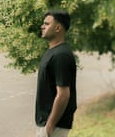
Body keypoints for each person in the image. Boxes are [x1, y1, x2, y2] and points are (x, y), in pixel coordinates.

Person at [35, 9, 77, 137]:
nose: (42, 26)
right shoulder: (53, 51)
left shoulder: (61, 55)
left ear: (58, 28)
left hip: (54, 126)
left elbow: (63, 94)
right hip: (47, 123)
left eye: (47, 24)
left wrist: (50, 125)